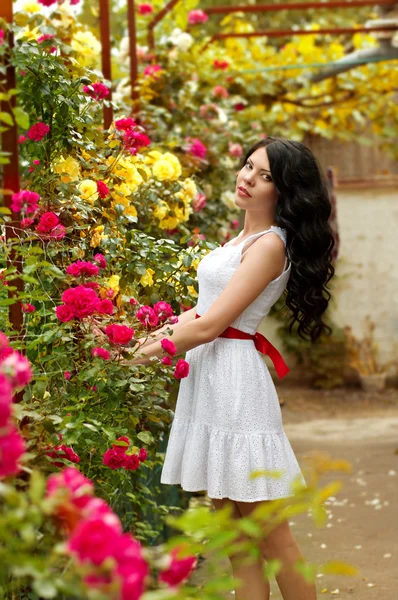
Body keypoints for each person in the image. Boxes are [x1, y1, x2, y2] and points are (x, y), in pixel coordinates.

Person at [127, 137, 335, 600]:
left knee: (272, 537)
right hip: (211, 382)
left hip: (236, 386)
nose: (247, 178)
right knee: (237, 541)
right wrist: (142, 335)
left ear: (282, 192)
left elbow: (213, 325)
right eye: (248, 166)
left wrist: (137, 354)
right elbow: (201, 313)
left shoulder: (269, 245)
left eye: (265, 176)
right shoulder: (240, 239)